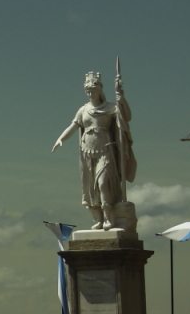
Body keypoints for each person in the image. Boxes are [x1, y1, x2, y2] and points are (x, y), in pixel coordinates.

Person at [50, 68, 137, 230]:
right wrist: (61, 138)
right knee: (91, 188)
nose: (90, 93)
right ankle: (98, 218)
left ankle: (109, 217)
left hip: (106, 150)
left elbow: (126, 117)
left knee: (103, 183)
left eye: (93, 90)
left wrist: (122, 98)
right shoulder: (83, 110)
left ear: (99, 90)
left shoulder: (110, 107)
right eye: (87, 91)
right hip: (87, 152)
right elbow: (73, 126)